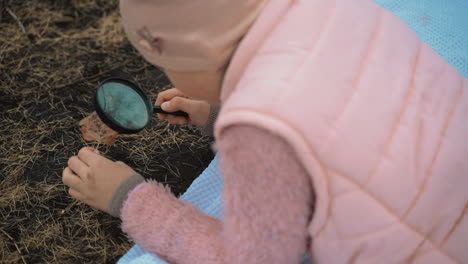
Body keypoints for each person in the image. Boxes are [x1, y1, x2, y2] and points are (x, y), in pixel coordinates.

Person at [62, 0, 468, 263]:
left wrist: (132, 199)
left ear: (197, 52)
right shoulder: (344, 10)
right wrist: (218, 112)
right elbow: (330, 112)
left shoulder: (256, 134)